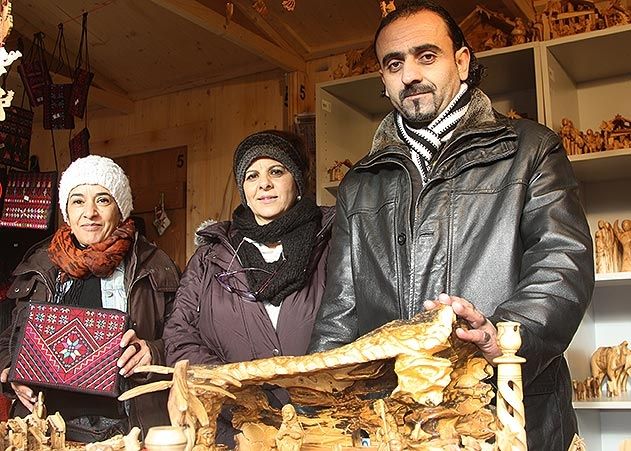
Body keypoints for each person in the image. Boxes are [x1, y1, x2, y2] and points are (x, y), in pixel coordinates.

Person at [308, 2, 594, 450]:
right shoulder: (359, 184)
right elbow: (339, 313)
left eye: (427, 56)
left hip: (507, 411)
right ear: (383, 80)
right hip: (398, 422)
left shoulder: (530, 149)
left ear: (461, 62)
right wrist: (315, 411)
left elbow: (562, 264)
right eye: (394, 63)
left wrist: (504, 337)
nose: (410, 75)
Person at [163, 130, 334, 446]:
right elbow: (179, 334)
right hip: (237, 429)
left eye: (276, 171)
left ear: (296, 181)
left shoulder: (333, 244)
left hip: (320, 431)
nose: (264, 184)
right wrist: (236, 388)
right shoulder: (210, 257)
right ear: (243, 188)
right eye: (252, 175)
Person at [0, 155, 180, 442]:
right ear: (66, 212)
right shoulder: (38, 265)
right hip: (45, 427)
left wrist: (154, 351)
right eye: (78, 201)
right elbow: (9, 337)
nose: (90, 213)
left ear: (120, 209)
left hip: (127, 428)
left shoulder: (154, 265)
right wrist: (11, 369)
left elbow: (185, 338)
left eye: (103, 200)